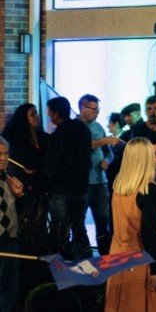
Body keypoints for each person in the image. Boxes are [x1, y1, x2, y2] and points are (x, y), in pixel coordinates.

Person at [105, 138, 156, 311]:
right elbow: (149, 235)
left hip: (117, 260)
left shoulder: (119, 188)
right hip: (143, 263)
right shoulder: (149, 191)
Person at [42, 96, 93, 259]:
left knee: (59, 232)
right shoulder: (82, 129)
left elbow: (52, 165)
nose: (49, 115)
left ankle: (60, 268)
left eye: (49, 112)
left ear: (56, 113)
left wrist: (44, 184)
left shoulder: (57, 136)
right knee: (79, 229)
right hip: (80, 189)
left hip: (61, 191)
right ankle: (87, 266)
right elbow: (87, 159)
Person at [78, 94, 116, 255]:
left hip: (100, 182)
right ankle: (83, 253)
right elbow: (82, 146)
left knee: (102, 220)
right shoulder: (74, 127)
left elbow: (110, 152)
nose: (97, 113)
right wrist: (105, 141)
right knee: (79, 221)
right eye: (94, 109)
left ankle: (105, 255)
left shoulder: (98, 127)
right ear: (82, 108)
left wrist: (107, 160)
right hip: (82, 183)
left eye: (98, 109)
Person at [2, 103, 47, 196]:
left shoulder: (43, 136)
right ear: (24, 117)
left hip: (41, 183)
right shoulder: (15, 137)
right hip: (22, 183)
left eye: (36, 113)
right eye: (32, 114)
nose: (36, 117)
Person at [0, 137, 25, 309]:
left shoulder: (9, 177)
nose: (3, 158)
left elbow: (19, 212)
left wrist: (19, 196)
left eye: (6, 153)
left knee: (10, 288)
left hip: (11, 239)